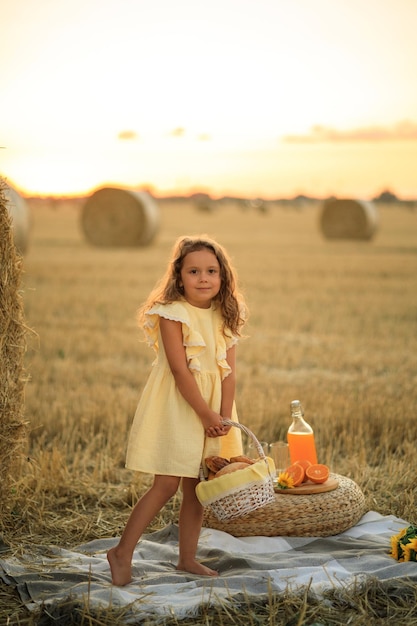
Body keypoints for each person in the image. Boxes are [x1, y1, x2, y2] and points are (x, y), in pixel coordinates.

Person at [107, 234, 247, 585]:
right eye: (194, 271)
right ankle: (121, 552)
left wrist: (223, 416)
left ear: (223, 277)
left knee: (196, 486)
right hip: (180, 405)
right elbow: (180, 370)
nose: (203, 278)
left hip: (213, 410)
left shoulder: (225, 314)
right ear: (178, 277)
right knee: (167, 482)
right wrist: (204, 414)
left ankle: (187, 559)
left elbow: (228, 372)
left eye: (212, 271)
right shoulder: (171, 313)